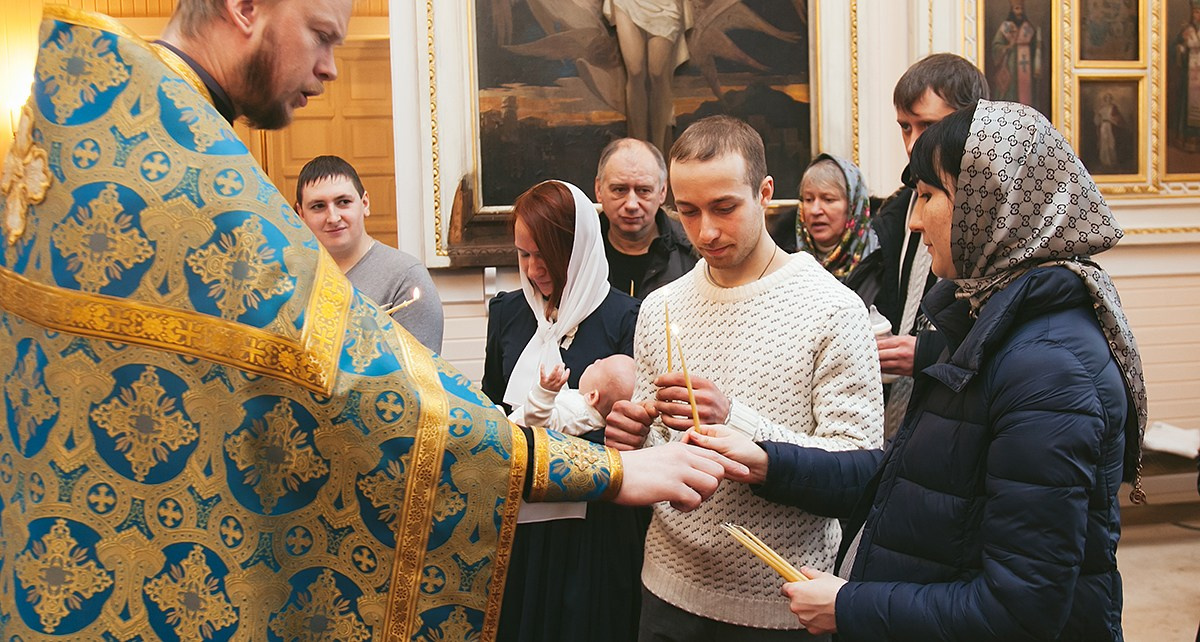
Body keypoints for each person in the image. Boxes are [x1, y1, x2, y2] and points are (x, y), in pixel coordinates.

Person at [0, 4, 745, 640]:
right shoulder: (202, 187)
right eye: (322, 33)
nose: (330, 67)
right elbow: (378, 406)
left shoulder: (96, 140)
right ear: (246, 8)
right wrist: (612, 472)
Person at [688, 100, 1148, 641]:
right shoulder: (987, 325)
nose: (912, 218)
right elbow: (910, 482)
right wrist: (768, 461)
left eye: (928, 196)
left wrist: (850, 606)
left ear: (991, 205)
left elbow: (1021, 608)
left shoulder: (1048, 369)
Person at [605, 115, 884, 640]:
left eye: (724, 208)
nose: (706, 231)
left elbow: (858, 473)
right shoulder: (662, 306)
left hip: (782, 602)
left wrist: (737, 419)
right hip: (667, 587)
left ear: (765, 192)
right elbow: (660, 442)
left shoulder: (833, 308)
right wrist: (633, 439)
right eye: (687, 212)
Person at [481, 180, 647, 641]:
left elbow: (637, 432)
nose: (534, 270)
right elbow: (492, 402)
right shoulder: (509, 314)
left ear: (578, 249)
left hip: (594, 530)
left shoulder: (627, 319)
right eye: (523, 255)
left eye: (546, 255)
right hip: (519, 522)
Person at [867, 53, 989, 438]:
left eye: (928, 126)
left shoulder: (995, 222)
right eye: (905, 127)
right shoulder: (897, 209)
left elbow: (1003, 340)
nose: (913, 143)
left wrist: (925, 353)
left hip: (960, 418)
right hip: (898, 417)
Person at [296, 154, 444, 352]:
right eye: (318, 206)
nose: (333, 217)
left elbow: (421, 375)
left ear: (364, 203)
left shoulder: (406, 278)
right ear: (301, 214)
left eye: (343, 202)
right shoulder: (291, 279)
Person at [595, 138, 697, 299]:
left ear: (662, 191)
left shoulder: (695, 251)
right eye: (620, 189)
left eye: (643, 190)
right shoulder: (576, 251)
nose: (631, 204)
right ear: (599, 189)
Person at [602, 0, 688, 153]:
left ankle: (659, 150)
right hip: (627, 3)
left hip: (665, 5)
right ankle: (638, 148)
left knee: (658, 73)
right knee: (635, 72)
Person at [795, 154, 878, 284]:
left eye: (828, 200)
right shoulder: (785, 261)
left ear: (853, 207)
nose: (815, 210)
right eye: (808, 199)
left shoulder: (880, 260)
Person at [514, 355, 636, 437]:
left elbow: (537, 428)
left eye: (598, 365)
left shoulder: (577, 415)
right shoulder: (584, 407)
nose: (597, 360)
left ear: (592, 396)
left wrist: (545, 392)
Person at [990, 0, 1043, 111]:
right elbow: (996, 46)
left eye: (1021, 9)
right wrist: (1007, 48)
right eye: (1017, 9)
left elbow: (1036, 49)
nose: (1019, 12)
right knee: (1010, 94)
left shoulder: (1028, 28)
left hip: (1026, 71)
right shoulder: (1005, 27)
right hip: (1010, 70)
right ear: (1012, 10)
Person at [1173, 3, 1200, 152]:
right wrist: (1181, 49)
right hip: (1189, 76)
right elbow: (1175, 48)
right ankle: (1187, 140)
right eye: (1196, 12)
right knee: (1188, 107)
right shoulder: (1186, 30)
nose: (1198, 15)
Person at [1094, 92, 1126, 170]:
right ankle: (1105, 162)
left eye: (1109, 98)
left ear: (1111, 99)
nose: (1108, 100)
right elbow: (1097, 120)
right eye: (1106, 98)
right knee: (1104, 143)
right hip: (1103, 126)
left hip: (1111, 127)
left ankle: (1112, 162)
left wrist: (1111, 120)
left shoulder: (1113, 108)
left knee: (1111, 143)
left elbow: (1118, 119)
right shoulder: (1101, 108)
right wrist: (1098, 118)